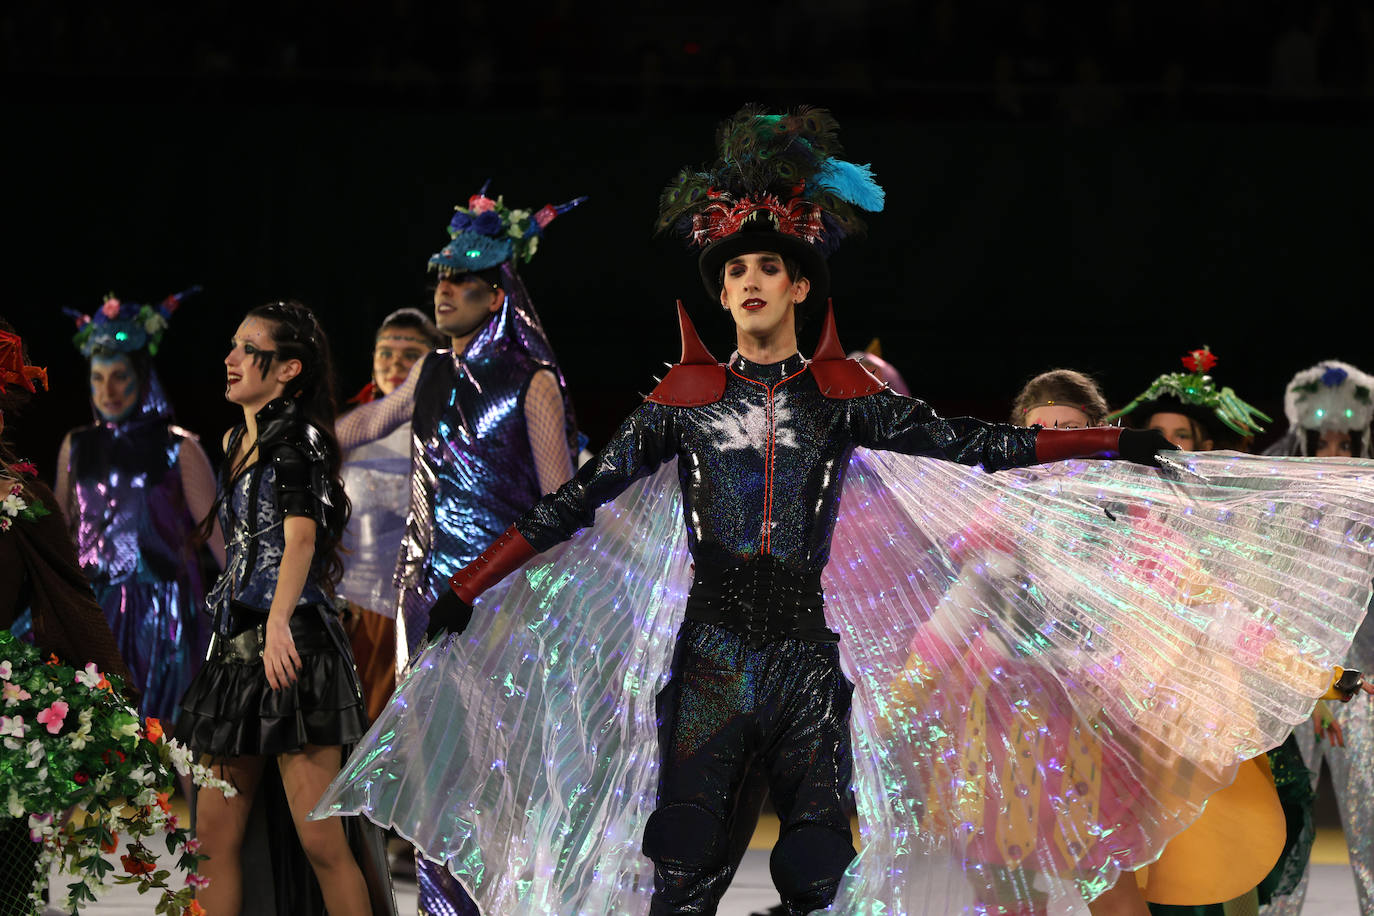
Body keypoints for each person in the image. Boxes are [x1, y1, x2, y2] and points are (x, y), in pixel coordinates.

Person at [318, 107, 1374, 916]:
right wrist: (468, 585)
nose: (750, 282)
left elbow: (985, 445)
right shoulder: (683, 400)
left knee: (821, 875)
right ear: (721, 291)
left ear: (799, 288)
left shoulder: (843, 398)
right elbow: (573, 503)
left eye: (769, 267)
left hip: (804, 660)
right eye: (736, 270)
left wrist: (1109, 442)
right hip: (714, 657)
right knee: (682, 870)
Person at [331, 187, 583, 915]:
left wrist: (526, 601)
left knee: (492, 775)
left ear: (496, 292)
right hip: (423, 601)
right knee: (433, 773)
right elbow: (367, 423)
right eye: (439, 278)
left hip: (499, 605)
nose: (442, 291)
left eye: (460, 280)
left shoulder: (533, 381)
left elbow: (559, 506)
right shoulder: (431, 371)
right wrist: (287, 432)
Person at [174, 301, 391, 916]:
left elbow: (300, 540)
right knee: (211, 837)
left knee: (322, 841)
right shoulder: (233, 441)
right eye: (233, 345)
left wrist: (275, 625)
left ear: (289, 368)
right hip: (238, 648)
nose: (230, 358)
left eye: (248, 349)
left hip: (295, 646)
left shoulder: (301, 438)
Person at [0, 322, 133, 916]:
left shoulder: (20, 498)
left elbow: (72, 602)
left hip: (3, 717)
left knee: (12, 889)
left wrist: (114, 703)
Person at [54, 291, 221, 726]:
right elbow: (60, 528)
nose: (107, 391)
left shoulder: (179, 447)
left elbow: (217, 537)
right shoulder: (76, 445)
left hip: (163, 614)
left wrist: (254, 607)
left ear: (142, 378)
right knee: (94, 730)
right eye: (97, 378)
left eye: (119, 377)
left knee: (168, 732)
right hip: (96, 606)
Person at [1261, 359, 1374, 916]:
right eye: (1322, 442)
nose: (1335, 452)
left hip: (1365, 678)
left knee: (1370, 806)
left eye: (1345, 443)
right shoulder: (1274, 498)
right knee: (1286, 809)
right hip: (1290, 676)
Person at [338, 307, 443, 721]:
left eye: (410, 355)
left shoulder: (444, 431)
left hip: (408, 608)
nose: (395, 365)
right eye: (385, 353)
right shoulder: (349, 427)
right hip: (346, 613)